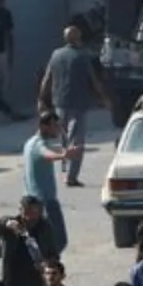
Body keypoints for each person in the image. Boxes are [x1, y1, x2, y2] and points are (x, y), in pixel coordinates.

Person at [37, 23, 105, 187]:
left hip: (59, 101)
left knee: (64, 136)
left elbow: (47, 79)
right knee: (77, 140)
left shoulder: (56, 55)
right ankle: (71, 176)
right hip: (78, 102)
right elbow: (93, 80)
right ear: (78, 39)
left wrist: (41, 99)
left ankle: (65, 169)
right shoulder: (82, 56)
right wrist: (103, 97)